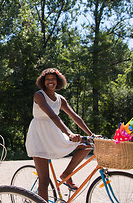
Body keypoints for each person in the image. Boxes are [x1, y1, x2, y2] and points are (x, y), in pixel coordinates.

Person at [25, 68, 94, 200]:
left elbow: (75, 117)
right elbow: (51, 115)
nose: (51, 82)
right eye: (48, 79)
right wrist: (69, 134)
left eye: (53, 79)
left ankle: (66, 174)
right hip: (39, 135)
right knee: (44, 180)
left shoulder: (60, 99)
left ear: (58, 81)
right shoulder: (39, 95)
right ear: (43, 82)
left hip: (54, 133)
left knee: (88, 145)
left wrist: (91, 134)